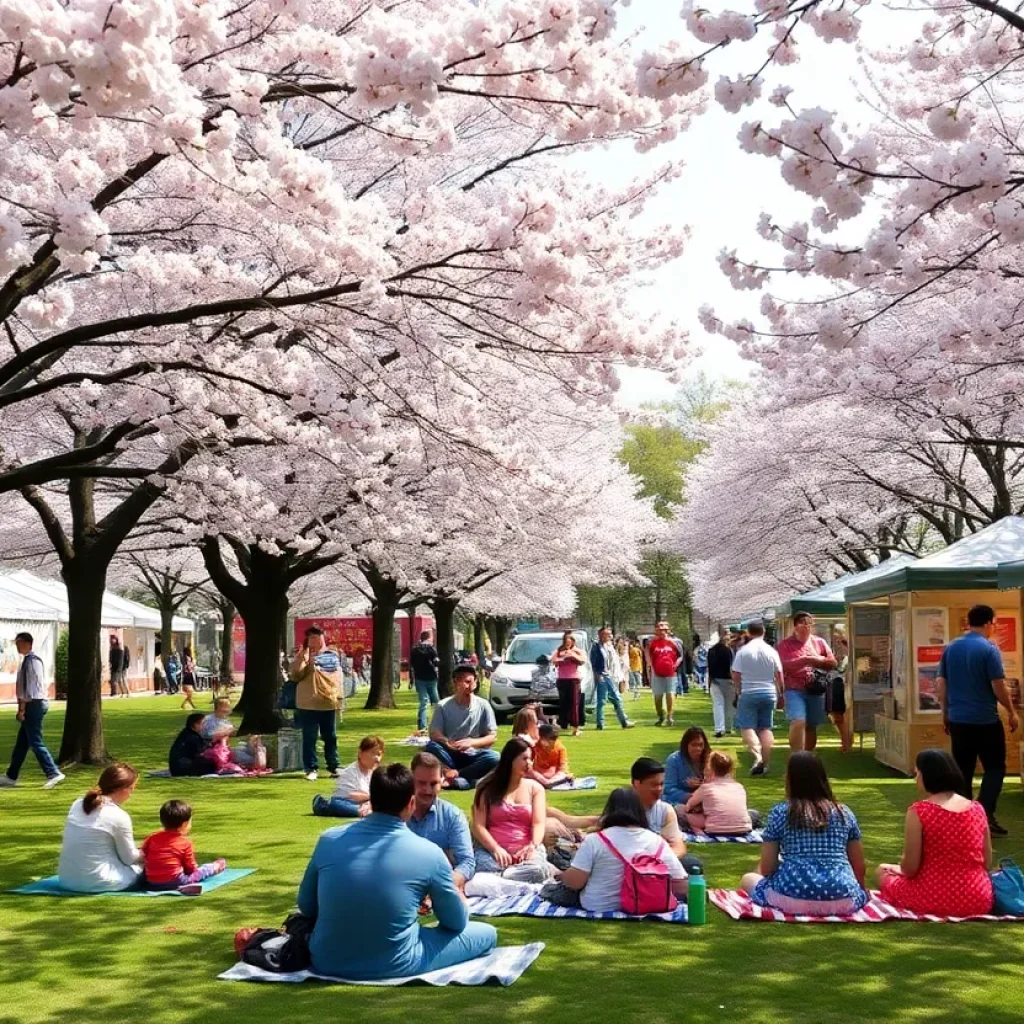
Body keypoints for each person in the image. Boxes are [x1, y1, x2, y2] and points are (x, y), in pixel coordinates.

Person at [297, 763, 498, 980]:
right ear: (411, 803)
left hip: (327, 959)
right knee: (487, 934)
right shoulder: (430, 853)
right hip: (396, 962)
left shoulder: (329, 840)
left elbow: (306, 906)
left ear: (370, 800)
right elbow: (456, 922)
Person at [741, 752, 867, 916]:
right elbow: (859, 867)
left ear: (790, 778)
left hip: (791, 897)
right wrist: (861, 892)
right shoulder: (844, 813)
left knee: (748, 879)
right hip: (842, 898)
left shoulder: (781, 813)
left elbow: (767, 868)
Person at [877, 749, 994, 916]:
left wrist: (899, 866)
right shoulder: (977, 809)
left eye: (918, 773)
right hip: (978, 897)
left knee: (882, 871)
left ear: (927, 776)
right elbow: (986, 860)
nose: (916, 779)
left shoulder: (920, 811)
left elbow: (910, 868)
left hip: (932, 895)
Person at [936, 603, 1019, 836]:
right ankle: (985, 813)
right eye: (994, 623)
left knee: (963, 769)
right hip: (985, 720)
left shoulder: (951, 648)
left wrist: (946, 713)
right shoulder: (988, 649)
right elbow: (998, 686)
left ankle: (963, 819)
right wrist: (1011, 711)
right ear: (988, 623)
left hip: (959, 720)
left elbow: (942, 684)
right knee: (994, 767)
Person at [545, 787, 689, 911]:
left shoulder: (595, 840)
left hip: (598, 904)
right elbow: (681, 885)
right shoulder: (656, 841)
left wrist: (563, 876)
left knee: (554, 891)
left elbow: (575, 882)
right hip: (646, 901)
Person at [471, 737, 551, 882]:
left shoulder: (535, 788)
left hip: (526, 851)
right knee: (483, 865)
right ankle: (508, 877)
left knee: (539, 870)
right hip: (494, 852)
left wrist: (532, 845)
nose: (529, 763)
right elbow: (478, 825)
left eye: (531, 759)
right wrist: (495, 849)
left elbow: (539, 823)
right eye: (524, 759)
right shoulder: (486, 788)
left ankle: (504, 878)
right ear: (510, 759)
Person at [57, 764, 143, 892]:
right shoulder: (119, 816)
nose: (130, 794)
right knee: (144, 870)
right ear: (120, 788)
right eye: (131, 789)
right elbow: (129, 858)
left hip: (67, 880)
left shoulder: (77, 804)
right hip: (102, 881)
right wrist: (147, 851)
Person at [0, 632, 64, 790]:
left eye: (19, 644)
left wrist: (22, 708)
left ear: (27, 643)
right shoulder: (29, 661)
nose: (17, 647)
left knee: (35, 741)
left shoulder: (31, 661)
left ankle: (53, 772)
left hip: (33, 704)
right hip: (33, 703)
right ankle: (11, 775)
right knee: (22, 742)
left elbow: (30, 688)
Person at [407, 752, 476, 894]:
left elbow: (467, 862)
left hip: (441, 884)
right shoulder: (394, 812)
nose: (427, 790)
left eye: (433, 784)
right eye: (421, 783)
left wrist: (442, 887)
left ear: (441, 782)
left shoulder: (452, 815)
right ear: (410, 781)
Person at [425, 664, 500, 788]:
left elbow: (492, 737)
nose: (470, 686)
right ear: (456, 683)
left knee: (494, 757)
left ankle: (457, 775)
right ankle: (465, 780)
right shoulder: (443, 706)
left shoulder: (483, 705)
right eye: (466, 682)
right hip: (451, 753)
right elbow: (434, 733)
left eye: (472, 681)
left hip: (474, 754)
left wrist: (472, 743)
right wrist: (447, 742)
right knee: (431, 747)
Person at [777, 612, 837, 753]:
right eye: (803, 623)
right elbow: (783, 665)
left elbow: (832, 662)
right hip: (793, 689)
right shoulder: (785, 645)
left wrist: (815, 659)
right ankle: (796, 756)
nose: (807, 627)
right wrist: (805, 659)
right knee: (798, 721)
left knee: (811, 725)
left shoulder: (819, 642)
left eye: (810, 624)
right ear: (795, 626)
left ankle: (808, 757)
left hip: (815, 689)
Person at [629, 756, 702, 873]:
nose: (659, 789)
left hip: (658, 862)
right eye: (653, 784)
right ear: (637, 783)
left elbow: (678, 847)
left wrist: (655, 861)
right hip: (627, 862)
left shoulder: (665, 810)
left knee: (692, 864)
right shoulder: (622, 806)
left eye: (661, 784)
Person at [731, 620, 784, 776]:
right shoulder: (771, 651)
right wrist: (782, 693)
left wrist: (738, 690)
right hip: (768, 692)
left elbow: (735, 674)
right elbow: (779, 675)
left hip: (749, 691)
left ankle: (758, 756)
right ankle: (766, 764)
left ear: (748, 632)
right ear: (764, 632)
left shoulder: (743, 651)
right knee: (766, 728)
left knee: (747, 726)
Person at [290, 625, 342, 782]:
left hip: (327, 701)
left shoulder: (331, 655)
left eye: (317, 637)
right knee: (310, 736)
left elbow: (336, 677)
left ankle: (334, 765)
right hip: (307, 703)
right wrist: (305, 660)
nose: (314, 640)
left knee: (330, 736)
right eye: (311, 637)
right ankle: (311, 768)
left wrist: (339, 700)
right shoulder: (303, 655)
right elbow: (295, 676)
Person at [142, 800, 227, 893]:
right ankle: (217, 866)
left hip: (151, 883)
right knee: (203, 870)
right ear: (185, 824)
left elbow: (143, 854)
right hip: (176, 881)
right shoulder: (185, 842)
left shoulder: (152, 838)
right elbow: (191, 868)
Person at [682, 751, 760, 834]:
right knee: (753, 813)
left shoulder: (706, 787)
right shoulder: (739, 787)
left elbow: (688, 807)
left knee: (680, 810)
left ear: (710, 769)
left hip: (715, 828)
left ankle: (699, 828)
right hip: (743, 828)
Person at [313, 735, 385, 818]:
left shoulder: (378, 772)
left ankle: (372, 811)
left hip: (367, 804)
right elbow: (352, 796)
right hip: (344, 803)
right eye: (373, 753)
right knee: (337, 804)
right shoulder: (349, 772)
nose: (378, 759)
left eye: (379, 754)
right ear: (360, 753)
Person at [589, 627, 635, 731]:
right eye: (607, 634)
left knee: (615, 698)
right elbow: (593, 662)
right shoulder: (596, 647)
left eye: (610, 634)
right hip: (602, 676)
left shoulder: (609, 647)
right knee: (603, 700)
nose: (610, 636)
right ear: (601, 635)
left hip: (609, 676)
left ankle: (622, 721)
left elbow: (614, 662)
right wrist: (597, 675)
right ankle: (601, 723)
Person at [664, 727, 710, 810]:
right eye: (694, 745)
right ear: (686, 745)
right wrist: (689, 796)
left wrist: (702, 784)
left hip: (706, 799)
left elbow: (719, 782)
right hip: (680, 801)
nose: (698, 749)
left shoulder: (710, 759)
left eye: (700, 745)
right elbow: (668, 788)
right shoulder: (674, 760)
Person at [646, 621, 681, 727]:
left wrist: (676, 664)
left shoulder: (674, 642)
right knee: (658, 696)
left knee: (670, 694)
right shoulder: (652, 643)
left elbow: (680, 655)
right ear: (656, 631)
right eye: (660, 630)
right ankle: (660, 716)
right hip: (657, 672)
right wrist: (650, 666)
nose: (662, 632)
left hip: (670, 672)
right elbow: (647, 654)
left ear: (668, 630)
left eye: (664, 630)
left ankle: (670, 716)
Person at [552, 631, 586, 736]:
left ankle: (575, 726)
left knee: (574, 703)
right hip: (562, 679)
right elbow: (553, 660)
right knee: (563, 703)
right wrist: (562, 658)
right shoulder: (558, 651)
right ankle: (563, 723)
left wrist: (572, 656)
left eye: (569, 641)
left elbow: (582, 660)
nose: (568, 644)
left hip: (573, 680)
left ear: (573, 642)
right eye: (566, 641)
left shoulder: (577, 651)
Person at [410, 630, 441, 735]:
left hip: (419, 678)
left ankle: (422, 726)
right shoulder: (432, 649)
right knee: (436, 702)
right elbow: (436, 662)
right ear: (429, 638)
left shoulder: (415, 650)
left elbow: (412, 665)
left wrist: (411, 678)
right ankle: (437, 724)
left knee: (423, 702)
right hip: (431, 677)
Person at [829, 627, 853, 753]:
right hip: (836, 682)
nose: (837, 641)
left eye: (839, 638)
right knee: (836, 715)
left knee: (838, 715)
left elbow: (840, 668)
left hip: (840, 683)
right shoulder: (835, 649)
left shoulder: (847, 651)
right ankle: (845, 741)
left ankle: (846, 743)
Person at [707, 630, 735, 739]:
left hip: (715, 680)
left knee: (718, 704)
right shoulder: (729, 650)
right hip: (728, 680)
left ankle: (719, 728)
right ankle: (728, 727)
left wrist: (709, 681)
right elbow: (731, 667)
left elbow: (709, 667)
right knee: (729, 705)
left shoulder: (711, 650)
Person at [528, 723, 571, 788]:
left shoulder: (560, 748)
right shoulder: (535, 746)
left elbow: (563, 765)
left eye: (554, 740)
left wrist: (562, 772)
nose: (551, 744)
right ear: (541, 738)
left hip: (554, 773)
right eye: (548, 740)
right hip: (539, 771)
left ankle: (550, 782)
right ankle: (548, 782)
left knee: (560, 774)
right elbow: (528, 761)